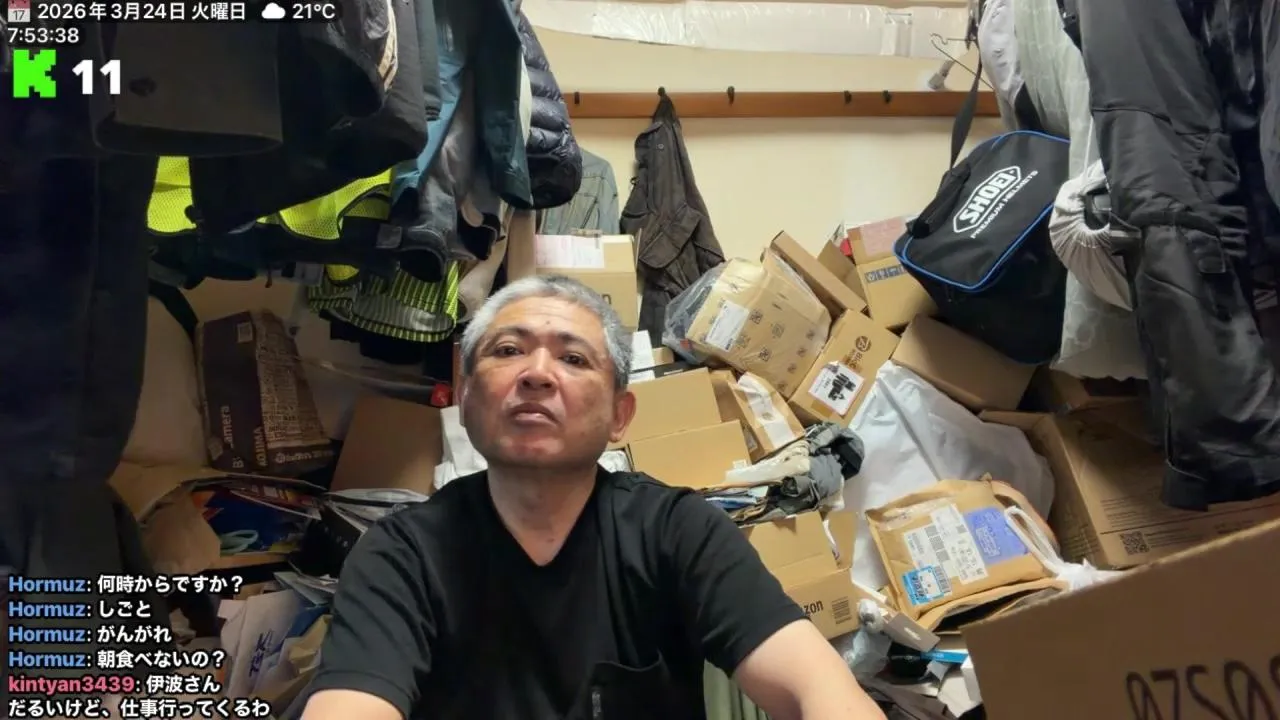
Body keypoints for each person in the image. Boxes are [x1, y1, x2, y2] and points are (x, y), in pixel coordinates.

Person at [299, 275, 886, 720]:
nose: (537, 373)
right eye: (507, 350)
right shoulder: (399, 555)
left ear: (619, 416)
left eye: (573, 358)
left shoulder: (678, 531)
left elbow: (818, 689)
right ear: (466, 396)